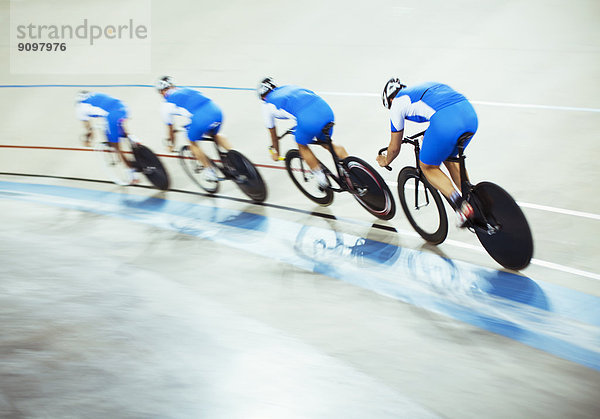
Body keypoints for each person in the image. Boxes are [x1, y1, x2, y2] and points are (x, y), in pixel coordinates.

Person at [376, 78, 478, 226]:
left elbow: (394, 147)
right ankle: (473, 200)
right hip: (470, 116)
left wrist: (386, 160)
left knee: (428, 167)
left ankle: (461, 206)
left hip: (445, 123)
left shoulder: (397, 103)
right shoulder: (424, 87)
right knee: (449, 157)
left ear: (390, 99)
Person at [257, 77, 348, 189]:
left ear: (262, 96)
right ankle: (353, 169)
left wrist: (276, 152)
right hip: (325, 111)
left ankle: (321, 179)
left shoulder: (266, 104)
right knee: (327, 143)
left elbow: (273, 133)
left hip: (307, 120)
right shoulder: (288, 87)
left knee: (301, 144)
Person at [156, 75, 232, 181]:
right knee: (215, 134)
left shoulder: (165, 105)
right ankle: (235, 158)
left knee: (192, 142)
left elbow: (170, 130)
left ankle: (209, 171)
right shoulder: (187, 89)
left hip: (200, 119)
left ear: (162, 92)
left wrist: (171, 145)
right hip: (216, 111)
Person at [75, 91, 139, 184]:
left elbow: (90, 130)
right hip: (123, 107)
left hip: (111, 116)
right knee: (121, 130)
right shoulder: (96, 94)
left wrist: (87, 139)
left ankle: (132, 176)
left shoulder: (79, 108)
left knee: (116, 147)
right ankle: (134, 140)